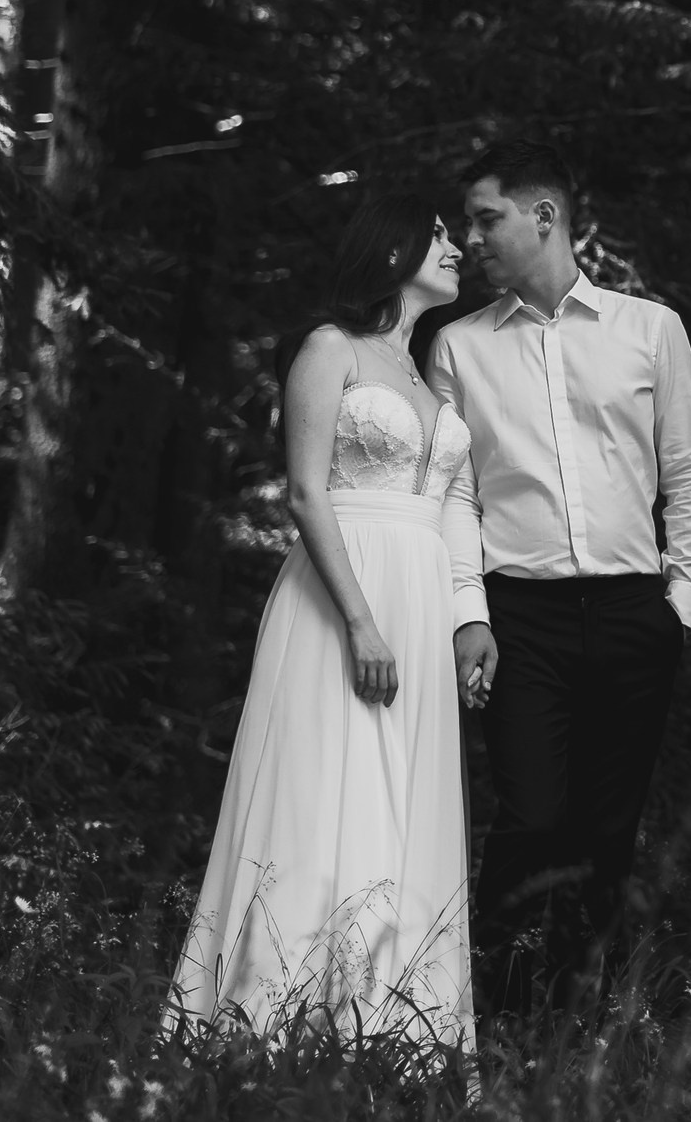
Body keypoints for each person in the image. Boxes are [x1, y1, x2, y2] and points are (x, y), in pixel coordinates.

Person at [168, 196, 479, 1062]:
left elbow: (453, 502)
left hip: (417, 597)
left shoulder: (427, 372)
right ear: (392, 250)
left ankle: (391, 1030)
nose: (458, 247)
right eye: (442, 235)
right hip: (343, 594)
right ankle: (270, 1029)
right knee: (319, 792)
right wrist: (361, 622)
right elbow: (306, 492)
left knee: (404, 799)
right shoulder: (328, 347)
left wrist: (463, 618)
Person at [431, 139, 691, 1022]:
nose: (470, 238)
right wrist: (469, 612)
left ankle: (579, 1024)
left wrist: (680, 601)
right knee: (529, 820)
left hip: (637, 613)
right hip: (521, 618)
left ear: (543, 216)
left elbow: (690, 470)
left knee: (605, 833)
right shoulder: (458, 347)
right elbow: (456, 493)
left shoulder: (651, 328)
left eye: (486, 218)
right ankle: (500, 1022)